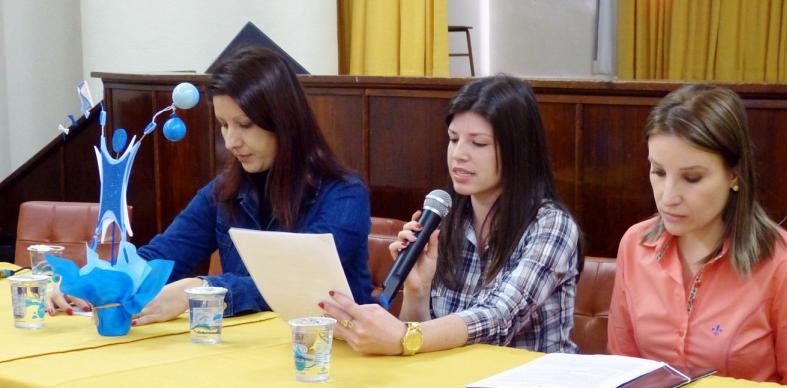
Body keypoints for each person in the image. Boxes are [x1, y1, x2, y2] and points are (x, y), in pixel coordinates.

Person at [48, 46, 374, 322]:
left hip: (338, 353)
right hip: (257, 355)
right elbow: (162, 255)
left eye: (244, 125)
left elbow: (297, 283)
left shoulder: (343, 194)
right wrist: (89, 281)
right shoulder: (223, 192)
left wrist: (202, 292)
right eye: (223, 125)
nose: (232, 141)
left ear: (284, 122)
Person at [321, 75, 581, 355]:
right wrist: (417, 292)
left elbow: (498, 317)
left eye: (478, 143)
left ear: (518, 151)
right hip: (456, 385)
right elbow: (419, 343)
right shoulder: (444, 216)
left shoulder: (551, 224)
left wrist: (402, 335)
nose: (458, 154)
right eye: (453, 139)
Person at [608, 84, 787, 388]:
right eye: (658, 172)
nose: (668, 197)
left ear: (734, 175)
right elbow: (622, 367)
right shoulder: (635, 245)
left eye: (692, 178)